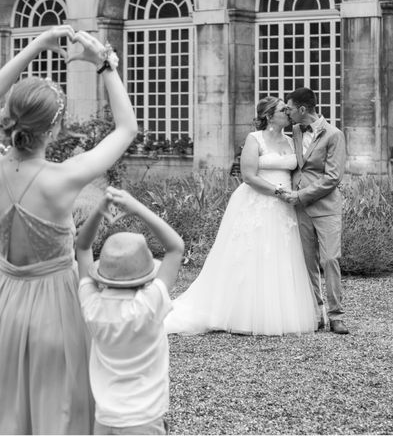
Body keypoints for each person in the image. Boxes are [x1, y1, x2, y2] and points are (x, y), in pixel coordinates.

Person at [0, 26, 138, 434]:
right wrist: (105, 63)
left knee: (11, 404)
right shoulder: (63, 178)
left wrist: (35, 46)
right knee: (60, 406)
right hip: (56, 306)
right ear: (54, 129)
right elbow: (126, 129)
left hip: (6, 301)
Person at [164, 96, 317, 335]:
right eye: (283, 110)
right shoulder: (254, 139)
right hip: (258, 201)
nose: (288, 113)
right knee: (250, 255)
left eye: (288, 110)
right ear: (269, 115)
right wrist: (278, 191)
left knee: (280, 257)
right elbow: (249, 176)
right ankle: (239, 314)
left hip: (285, 206)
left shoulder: (291, 140)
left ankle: (275, 314)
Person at [76, 187, 183, 435]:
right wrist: (136, 207)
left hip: (104, 420)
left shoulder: (93, 306)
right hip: (144, 420)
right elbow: (176, 247)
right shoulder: (149, 305)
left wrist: (98, 211)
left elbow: (82, 248)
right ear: (145, 274)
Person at [280, 87, 348, 334]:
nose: (287, 113)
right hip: (300, 209)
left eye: (289, 108)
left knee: (330, 259)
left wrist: (299, 195)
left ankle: (337, 315)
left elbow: (333, 178)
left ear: (302, 109)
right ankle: (316, 314)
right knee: (307, 263)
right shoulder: (295, 131)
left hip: (326, 207)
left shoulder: (334, 135)